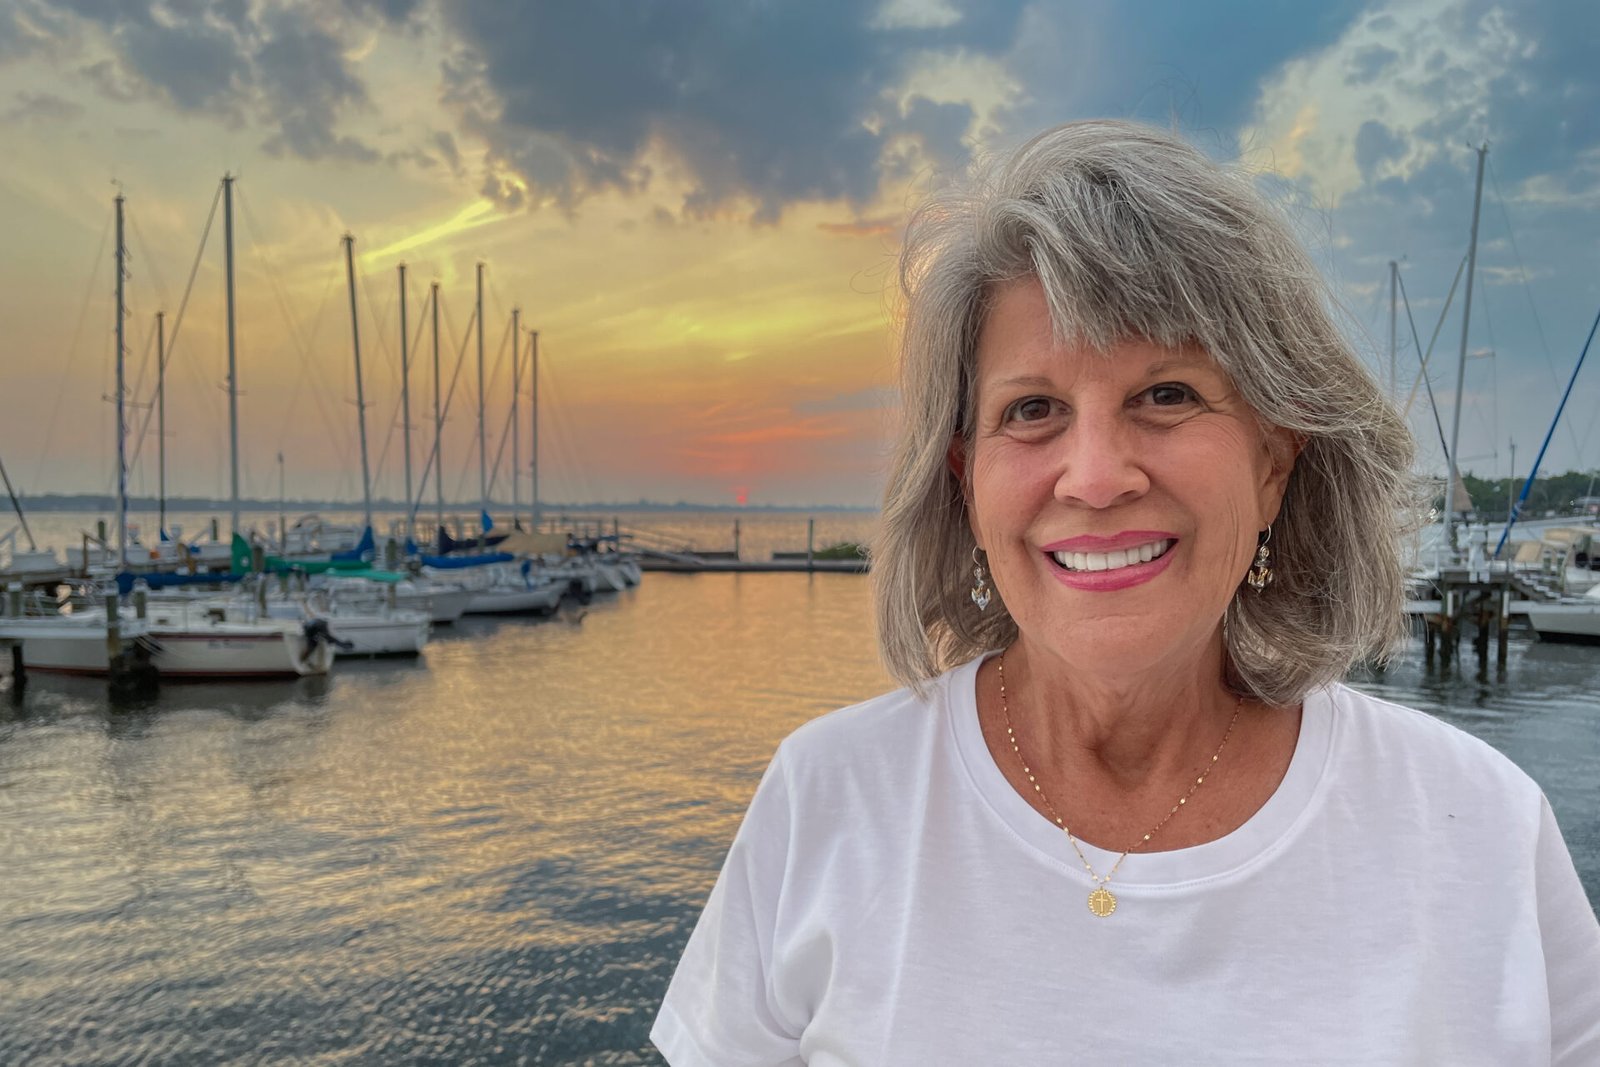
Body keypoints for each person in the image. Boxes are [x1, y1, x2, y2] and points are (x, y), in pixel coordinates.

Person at [651, 120, 1600, 1064]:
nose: (1096, 477)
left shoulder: (1483, 833)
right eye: (1032, 410)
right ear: (965, 479)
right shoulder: (827, 800)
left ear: (1274, 460)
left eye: (1168, 394)